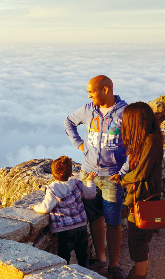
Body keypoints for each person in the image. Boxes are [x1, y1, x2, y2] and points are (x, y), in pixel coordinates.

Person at [64, 75, 128, 278]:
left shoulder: (125, 113)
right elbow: (68, 122)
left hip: (112, 176)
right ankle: (101, 259)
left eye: (92, 92)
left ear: (106, 90)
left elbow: (135, 144)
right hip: (89, 172)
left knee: (114, 221)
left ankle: (114, 265)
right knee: (95, 218)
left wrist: (123, 171)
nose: (89, 96)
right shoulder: (88, 110)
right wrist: (80, 145)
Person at [110, 102, 163, 279]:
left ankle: (139, 275)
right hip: (142, 198)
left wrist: (122, 180)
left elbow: (141, 172)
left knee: (138, 241)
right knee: (140, 241)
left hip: (143, 200)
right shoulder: (150, 139)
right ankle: (139, 273)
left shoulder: (151, 140)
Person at [33, 156, 97, 267]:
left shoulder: (52, 189)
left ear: (53, 174)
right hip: (81, 226)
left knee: (64, 256)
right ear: (71, 173)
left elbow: (46, 208)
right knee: (82, 255)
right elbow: (91, 194)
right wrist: (90, 181)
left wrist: (35, 207)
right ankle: (86, 272)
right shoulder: (77, 184)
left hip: (65, 230)